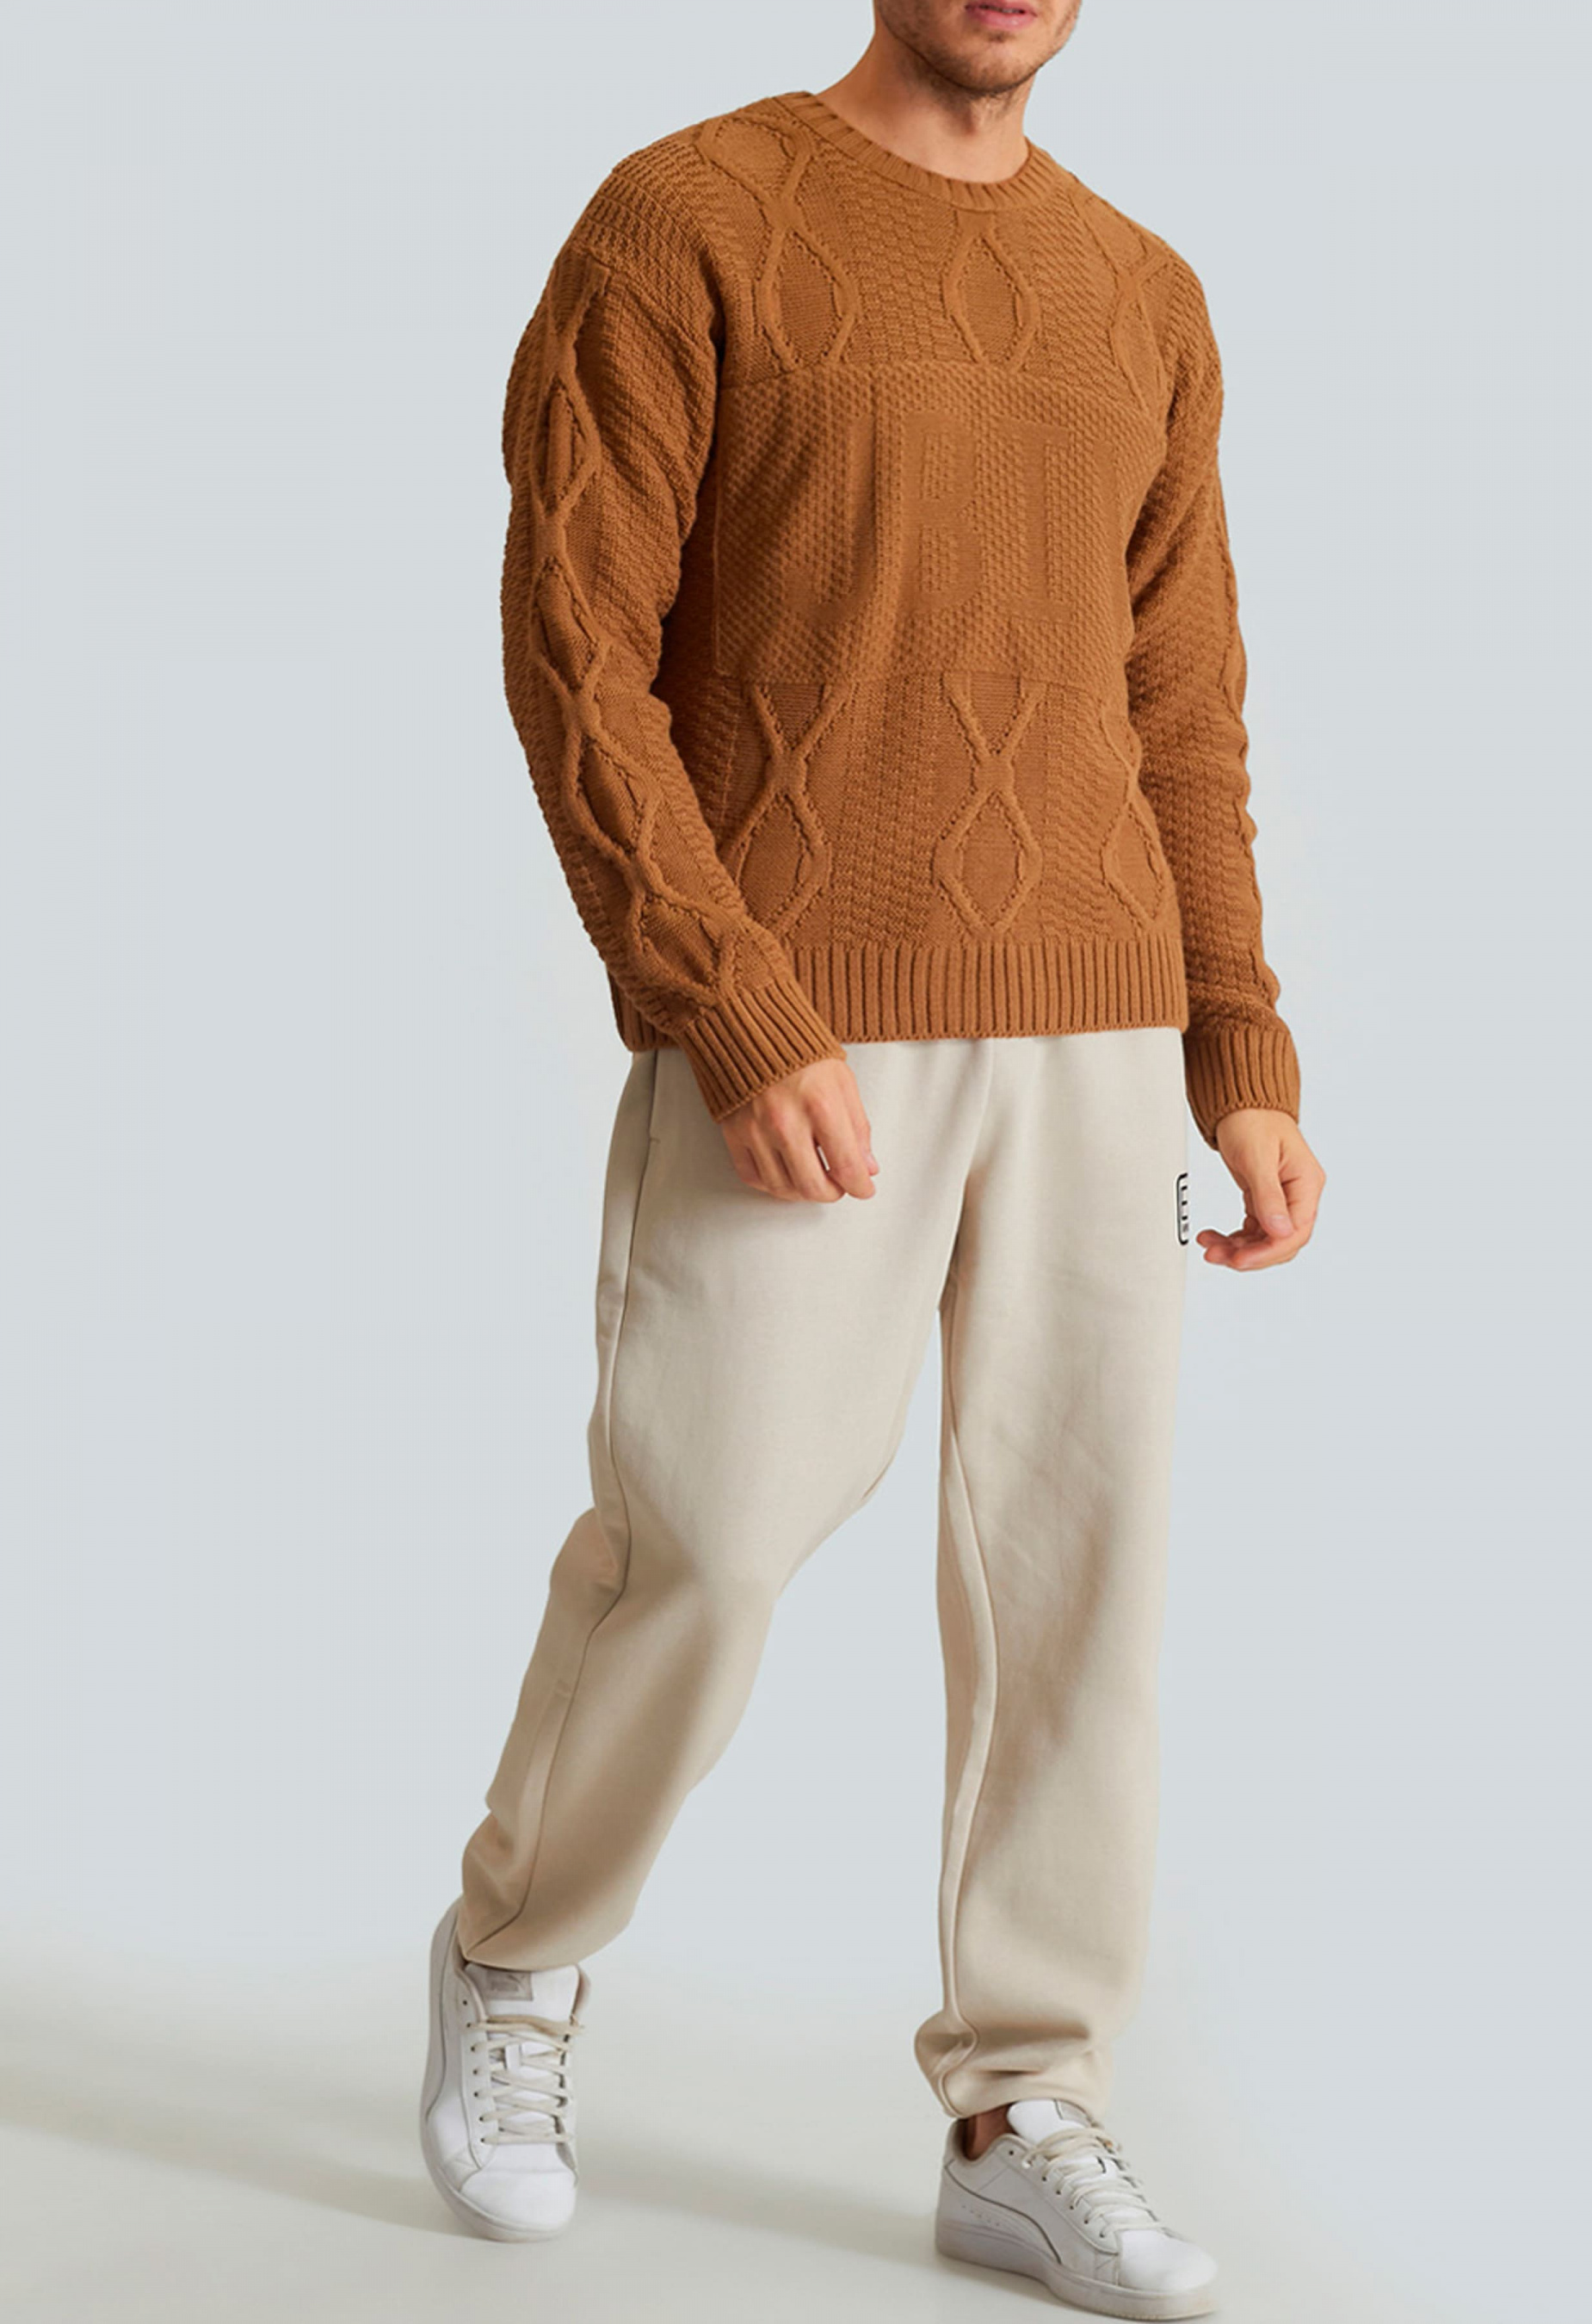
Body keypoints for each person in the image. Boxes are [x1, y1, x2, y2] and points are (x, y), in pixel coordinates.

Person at [418, 3, 1324, 2313]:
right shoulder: (687, 220)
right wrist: (726, 996)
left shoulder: (1141, 293)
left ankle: (1025, 2100)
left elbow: (1182, 701)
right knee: (706, 1538)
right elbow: (576, 647)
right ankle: (516, 1957)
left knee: (1075, 1582)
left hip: (1099, 1027)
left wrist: (1237, 1038)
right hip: (801, 1017)